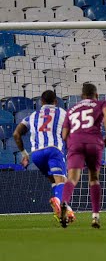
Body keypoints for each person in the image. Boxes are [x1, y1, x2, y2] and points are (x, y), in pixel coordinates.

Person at [12, 89, 76, 223]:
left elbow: (16, 134)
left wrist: (25, 154)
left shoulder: (32, 116)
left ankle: (65, 210)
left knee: (54, 181)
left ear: (41, 102)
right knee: (62, 181)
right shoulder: (62, 113)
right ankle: (59, 202)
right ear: (56, 101)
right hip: (53, 150)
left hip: (36, 155)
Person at [60, 83, 106, 229]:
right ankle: (95, 216)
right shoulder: (101, 103)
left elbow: (64, 134)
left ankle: (64, 202)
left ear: (82, 96)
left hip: (75, 143)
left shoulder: (71, 110)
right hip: (93, 142)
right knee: (94, 178)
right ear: (96, 95)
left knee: (72, 178)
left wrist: (73, 142)